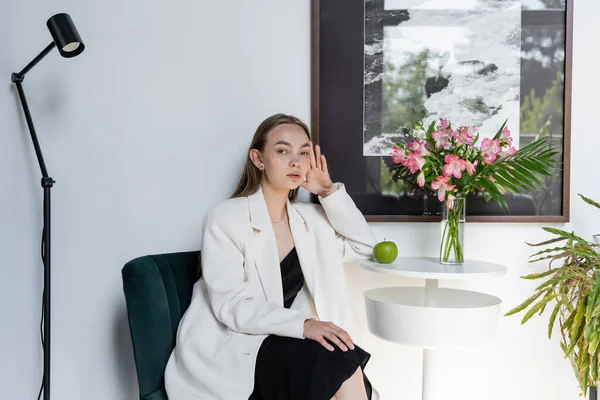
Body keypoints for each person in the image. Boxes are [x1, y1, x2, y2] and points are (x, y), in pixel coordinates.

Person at [165, 114, 378, 400]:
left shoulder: (312, 220)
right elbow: (231, 305)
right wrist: (305, 325)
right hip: (237, 345)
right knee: (336, 359)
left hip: (288, 342)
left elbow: (365, 247)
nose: (295, 161)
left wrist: (328, 192)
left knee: (339, 356)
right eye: (282, 150)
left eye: (303, 152)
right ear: (258, 159)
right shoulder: (226, 217)